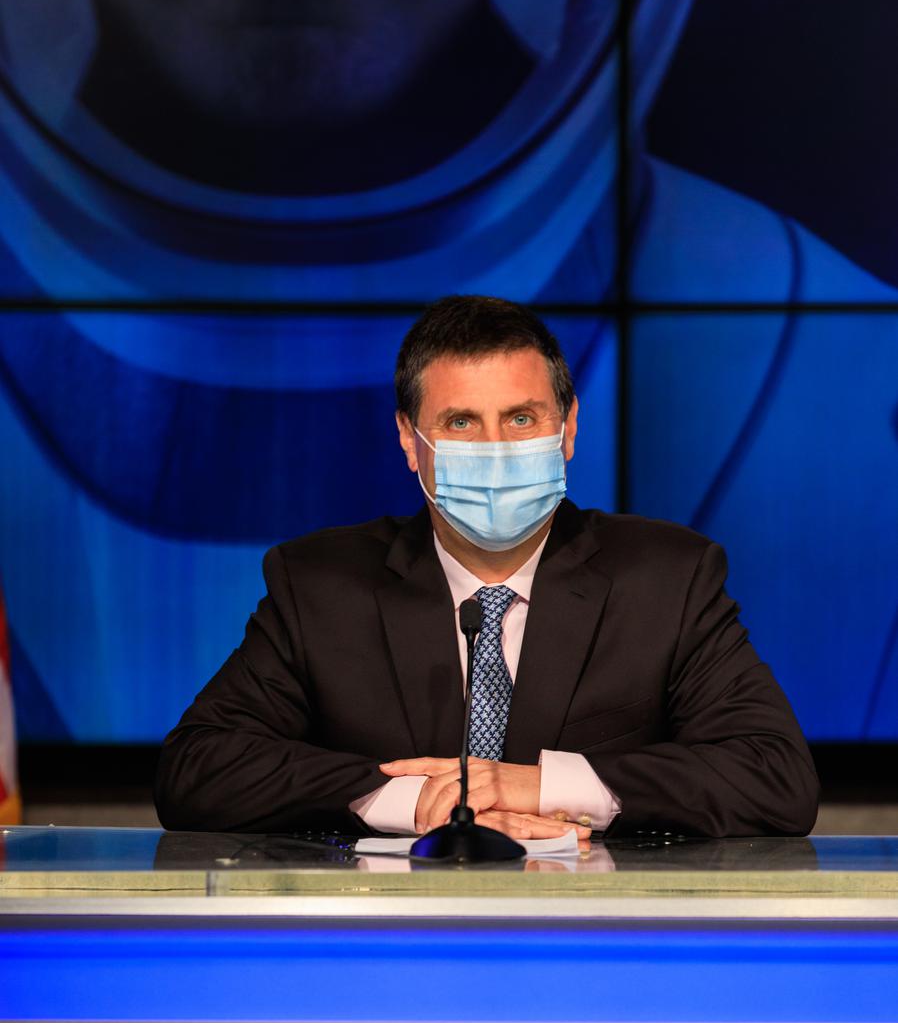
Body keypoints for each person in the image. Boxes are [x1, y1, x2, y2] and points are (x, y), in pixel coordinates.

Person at [154, 296, 819, 841]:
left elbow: (776, 778)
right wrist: (411, 799)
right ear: (409, 442)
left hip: (597, 947)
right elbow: (197, 770)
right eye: (462, 423)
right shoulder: (321, 585)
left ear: (568, 429)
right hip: (383, 950)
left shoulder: (668, 578)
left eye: (522, 418)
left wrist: (543, 786)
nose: (496, 450)